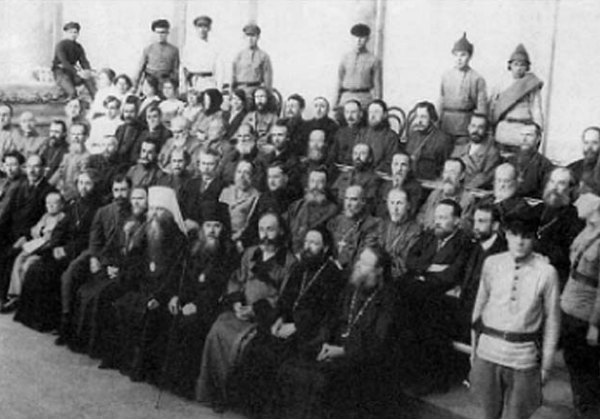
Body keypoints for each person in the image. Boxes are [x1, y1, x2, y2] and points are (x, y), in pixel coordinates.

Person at [229, 227, 345, 416]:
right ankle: (248, 407)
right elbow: (286, 299)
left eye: (314, 243)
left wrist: (296, 327)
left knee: (276, 357)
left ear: (325, 248)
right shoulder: (300, 267)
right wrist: (279, 319)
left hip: (310, 333)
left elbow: (326, 314)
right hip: (286, 324)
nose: (308, 247)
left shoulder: (334, 275)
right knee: (255, 346)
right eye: (306, 242)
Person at [275, 245, 399, 419]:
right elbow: (331, 318)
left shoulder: (388, 298)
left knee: (321, 380)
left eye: (365, 263)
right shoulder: (352, 287)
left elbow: (378, 340)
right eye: (359, 260)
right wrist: (324, 342)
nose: (357, 265)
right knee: (290, 365)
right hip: (333, 345)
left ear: (379, 270)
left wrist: (343, 351)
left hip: (361, 359)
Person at [196, 212, 296, 409]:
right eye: (261, 229)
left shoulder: (289, 262)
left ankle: (230, 397)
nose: (265, 235)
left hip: (262, 318)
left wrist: (255, 310)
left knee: (240, 345)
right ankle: (213, 392)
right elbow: (237, 279)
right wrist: (236, 302)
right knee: (216, 331)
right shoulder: (250, 253)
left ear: (281, 231)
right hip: (240, 311)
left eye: (270, 229)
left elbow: (284, 297)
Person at [471, 208, 560, 419]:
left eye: (526, 236)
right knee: (487, 414)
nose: (520, 242)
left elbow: (553, 321)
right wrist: (474, 349)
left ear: (534, 238)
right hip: (488, 352)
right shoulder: (492, 263)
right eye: (514, 234)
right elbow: (479, 308)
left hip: (523, 357)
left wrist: (547, 365)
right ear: (506, 235)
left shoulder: (547, 272)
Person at [111, 186, 187, 383]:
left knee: (151, 313)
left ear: (169, 213)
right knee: (123, 303)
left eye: (159, 209)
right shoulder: (144, 232)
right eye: (152, 209)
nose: (154, 214)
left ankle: (142, 368)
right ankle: (125, 361)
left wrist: (158, 297)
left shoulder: (179, 239)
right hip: (143, 289)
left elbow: (176, 274)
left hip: (164, 292)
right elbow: (134, 265)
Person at [161, 201, 236, 399]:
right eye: (208, 225)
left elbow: (220, 287)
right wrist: (176, 296)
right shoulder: (194, 248)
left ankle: (185, 385)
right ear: (202, 228)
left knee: (191, 324)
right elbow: (183, 277)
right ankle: (167, 378)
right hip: (189, 300)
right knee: (167, 314)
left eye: (217, 226)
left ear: (223, 229)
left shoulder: (229, 252)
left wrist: (197, 305)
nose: (212, 230)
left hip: (212, 306)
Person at [15, 170, 102, 332]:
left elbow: (90, 238)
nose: (83, 187)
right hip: (62, 248)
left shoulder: (99, 208)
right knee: (36, 268)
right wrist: (55, 246)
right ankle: (33, 319)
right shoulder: (73, 204)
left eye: (88, 183)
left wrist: (66, 249)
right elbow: (60, 228)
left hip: (79, 251)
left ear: (95, 185)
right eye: (80, 183)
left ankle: (51, 321)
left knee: (50, 274)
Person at [404, 199, 474, 394]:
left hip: (445, 297)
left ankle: (432, 379)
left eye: (443, 218)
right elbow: (410, 259)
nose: (438, 222)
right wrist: (430, 268)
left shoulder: (464, 243)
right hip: (423, 290)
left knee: (427, 317)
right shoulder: (429, 235)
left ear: (457, 221)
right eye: (436, 217)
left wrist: (422, 273)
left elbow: (452, 274)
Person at [74, 185, 146, 361]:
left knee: (102, 296)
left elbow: (142, 260)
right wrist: (108, 265)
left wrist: (121, 271)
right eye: (134, 198)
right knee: (86, 291)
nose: (136, 202)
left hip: (132, 276)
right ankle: (84, 343)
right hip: (116, 268)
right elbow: (112, 247)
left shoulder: (149, 225)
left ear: (148, 201)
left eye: (141, 198)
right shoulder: (126, 219)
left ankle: (99, 349)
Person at [561, 193, 600, 419]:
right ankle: (581, 405)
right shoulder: (586, 230)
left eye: (583, 197)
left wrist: (595, 324)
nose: (577, 202)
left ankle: (589, 410)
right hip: (570, 305)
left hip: (587, 313)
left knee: (587, 366)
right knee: (573, 360)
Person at [0, 154, 55, 309]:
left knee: (9, 254)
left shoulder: (48, 191)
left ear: (44, 169)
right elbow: (8, 213)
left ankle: (7, 297)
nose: (32, 170)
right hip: (12, 232)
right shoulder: (20, 186)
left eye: (36, 166)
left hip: (30, 237)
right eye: (29, 166)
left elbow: (42, 222)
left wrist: (25, 237)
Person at [3, 192, 66, 313]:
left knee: (27, 266)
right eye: (48, 203)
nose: (50, 206)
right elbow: (34, 230)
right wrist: (40, 232)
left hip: (45, 250)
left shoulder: (62, 217)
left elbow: (54, 237)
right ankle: (15, 295)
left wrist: (42, 234)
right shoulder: (46, 216)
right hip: (34, 246)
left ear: (61, 205)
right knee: (18, 261)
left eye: (54, 203)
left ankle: (24, 299)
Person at [534, 167, 584, 289]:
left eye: (561, 183)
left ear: (571, 189)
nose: (554, 188)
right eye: (552, 181)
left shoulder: (574, 218)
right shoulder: (538, 209)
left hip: (553, 277)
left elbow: (567, 256)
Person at [490, 44, 544, 153]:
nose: (519, 68)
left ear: (527, 67)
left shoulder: (531, 84)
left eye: (522, 65)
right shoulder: (501, 84)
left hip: (523, 127)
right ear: (510, 66)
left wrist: (538, 128)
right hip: (505, 127)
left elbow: (536, 108)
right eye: (516, 64)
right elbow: (493, 106)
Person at [439, 33, 487, 145]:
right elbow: (441, 100)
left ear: (470, 57)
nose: (459, 59)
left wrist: (478, 127)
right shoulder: (446, 76)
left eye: (463, 55)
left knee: (462, 151)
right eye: (456, 55)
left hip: (465, 125)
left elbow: (481, 107)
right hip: (446, 123)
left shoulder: (477, 78)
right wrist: (438, 120)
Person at [239, 162, 298, 249]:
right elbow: (253, 223)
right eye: (270, 177)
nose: (272, 181)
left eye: (276, 177)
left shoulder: (293, 199)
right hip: (260, 241)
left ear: (285, 178)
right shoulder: (263, 198)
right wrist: (242, 241)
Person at [286, 166, 339, 254]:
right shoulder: (296, 205)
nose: (315, 186)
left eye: (320, 182)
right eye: (312, 181)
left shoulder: (332, 210)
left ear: (326, 185)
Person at [328, 184, 381, 270]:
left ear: (363, 201)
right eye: (346, 198)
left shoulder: (371, 224)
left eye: (353, 199)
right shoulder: (336, 221)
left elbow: (364, 256)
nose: (348, 204)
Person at [417, 158, 476, 229]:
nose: (447, 177)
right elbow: (421, 214)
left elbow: (462, 227)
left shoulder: (467, 199)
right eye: (445, 172)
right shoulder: (435, 194)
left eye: (452, 172)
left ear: (461, 176)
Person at [378, 188, 422, 279]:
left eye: (399, 203)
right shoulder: (383, 224)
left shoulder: (415, 230)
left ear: (408, 206)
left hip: (398, 276)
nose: (395, 209)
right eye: (392, 203)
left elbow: (406, 261)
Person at [336, 23, 382, 108]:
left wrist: (378, 106)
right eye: (356, 37)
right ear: (352, 38)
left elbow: (377, 86)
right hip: (346, 98)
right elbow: (339, 81)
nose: (358, 40)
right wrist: (335, 103)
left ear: (367, 39)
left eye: (362, 37)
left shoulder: (374, 60)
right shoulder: (345, 58)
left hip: (364, 99)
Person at [451, 113, 500, 189]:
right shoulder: (460, 148)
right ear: (468, 128)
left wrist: (463, 189)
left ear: (486, 130)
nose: (475, 130)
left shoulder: (492, 153)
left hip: (474, 191)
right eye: (473, 126)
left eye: (480, 127)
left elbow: (484, 178)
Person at [406, 101, 453, 180]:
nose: (419, 121)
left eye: (423, 117)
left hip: (429, 181)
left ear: (432, 118)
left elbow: (444, 168)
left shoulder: (443, 139)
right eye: (417, 116)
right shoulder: (413, 135)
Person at [507, 121, 554, 198]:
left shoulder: (545, 166)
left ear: (538, 139)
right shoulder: (508, 161)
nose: (524, 139)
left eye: (529, 135)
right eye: (521, 135)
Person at [332, 143, 382, 214]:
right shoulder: (344, 175)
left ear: (370, 158)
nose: (358, 157)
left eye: (362, 154)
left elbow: (368, 202)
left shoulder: (374, 179)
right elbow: (333, 193)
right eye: (355, 153)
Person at [181, 148, 226, 226]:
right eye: (204, 163)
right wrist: (186, 220)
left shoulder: (223, 186)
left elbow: (223, 215)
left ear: (217, 165)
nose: (206, 167)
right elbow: (181, 206)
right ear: (199, 165)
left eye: (210, 164)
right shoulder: (189, 184)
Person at [219, 160, 260, 244]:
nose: (241, 176)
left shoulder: (256, 196)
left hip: (239, 238)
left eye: (246, 173)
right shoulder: (226, 191)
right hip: (221, 234)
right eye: (239, 172)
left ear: (252, 176)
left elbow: (249, 223)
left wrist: (236, 237)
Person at [52, 21, 96, 99]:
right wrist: (78, 72)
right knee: (72, 93)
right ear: (66, 33)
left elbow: (83, 61)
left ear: (78, 34)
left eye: (75, 32)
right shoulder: (61, 45)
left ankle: (96, 100)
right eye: (70, 32)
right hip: (61, 73)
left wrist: (87, 70)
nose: (73, 34)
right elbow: (64, 62)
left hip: (73, 74)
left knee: (88, 79)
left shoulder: (78, 47)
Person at [478, 162, 530, 227]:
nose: (501, 185)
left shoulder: (521, 207)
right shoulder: (485, 200)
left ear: (516, 182)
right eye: (499, 180)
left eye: (506, 181)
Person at [49, 122, 91, 202]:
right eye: (73, 134)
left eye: (79, 134)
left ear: (86, 137)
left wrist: (65, 196)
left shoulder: (87, 157)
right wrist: (46, 187)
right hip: (62, 194)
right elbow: (58, 174)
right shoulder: (67, 156)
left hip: (75, 197)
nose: (76, 137)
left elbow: (81, 184)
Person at [134, 19, 180, 91]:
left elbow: (176, 70)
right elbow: (140, 68)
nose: (160, 35)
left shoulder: (174, 50)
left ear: (167, 33)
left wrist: (174, 85)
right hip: (150, 80)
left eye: (163, 32)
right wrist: (135, 85)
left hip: (165, 81)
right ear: (154, 33)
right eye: (157, 32)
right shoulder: (148, 49)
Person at [231, 23, 273, 97]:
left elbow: (267, 80)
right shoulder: (239, 56)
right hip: (240, 91)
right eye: (248, 36)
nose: (250, 39)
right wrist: (231, 93)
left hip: (256, 92)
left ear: (258, 37)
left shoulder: (263, 56)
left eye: (253, 36)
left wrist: (268, 95)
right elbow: (233, 77)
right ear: (244, 37)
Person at [377, 151, 423, 218]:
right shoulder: (385, 185)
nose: (399, 169)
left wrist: (399, 187)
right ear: (391, 166)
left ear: (409, 168)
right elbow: (379, 211)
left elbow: (411, 212)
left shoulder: (415, 188)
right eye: (396, 164)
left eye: (403, 165)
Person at [182, 15, 222, 92]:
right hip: (193, 82)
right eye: (200, 26)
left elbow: (219, 69)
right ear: (196, 28)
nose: (202, 30)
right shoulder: (189, 47)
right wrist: (183, 87)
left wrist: (219, 88)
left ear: (209, 28)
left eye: (205, 26)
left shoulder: (214, 47)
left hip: (209, 82)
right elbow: (183, 68)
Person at [359, 99, 399, 172]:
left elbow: (390, 161)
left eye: (376, 112)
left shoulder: (391, 137)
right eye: (370, 112)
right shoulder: (363, 133)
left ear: (384, 115)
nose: (372, 116)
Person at [241, 87, 278, 152]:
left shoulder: (274, 118)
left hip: (265, 148)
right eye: (257, 97)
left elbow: (274, 135)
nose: (259, 100)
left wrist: (266, 138)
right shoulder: (249, 116)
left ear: (268, 99)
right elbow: (242, 131)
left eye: (262, 96)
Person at [568, 126, 600, 195]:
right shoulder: (572, 168)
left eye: (594, 143)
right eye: (586, 142)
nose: (589, 147)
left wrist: (591, 191)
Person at [331, 99, 364, 166]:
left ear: (361, 114)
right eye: (347, 112)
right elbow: (333, 154)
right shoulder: (340, 132)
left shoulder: (366, 133)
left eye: (353, 112)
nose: (349, 116)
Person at [115, 97, 146, 165]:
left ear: (137, 112)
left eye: (131, 112)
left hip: (130, 165)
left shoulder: (142, 130)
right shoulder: (120, 128)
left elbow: (135, 154)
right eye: (126, 112)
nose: (128, 115)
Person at [0, 151, 25, 221]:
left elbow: (4, 210)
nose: (9, 169)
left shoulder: (23, 185)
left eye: (13, 165)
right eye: (7, 165)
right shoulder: (4, 182)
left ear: (21, 166)